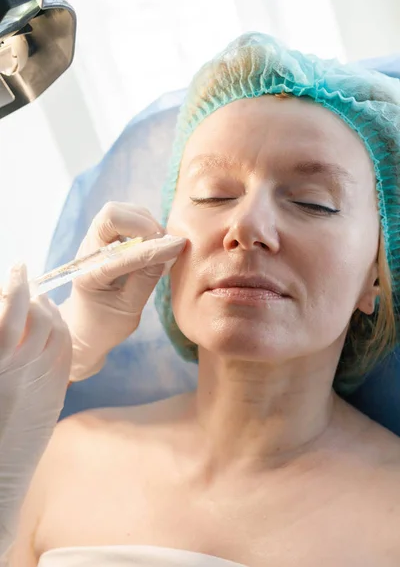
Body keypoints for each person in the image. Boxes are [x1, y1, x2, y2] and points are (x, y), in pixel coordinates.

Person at [5, 32, 400, 566]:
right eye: (214, 194)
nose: (247, 226)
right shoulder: (54, 459)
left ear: (376, 275)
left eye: (313, 203)